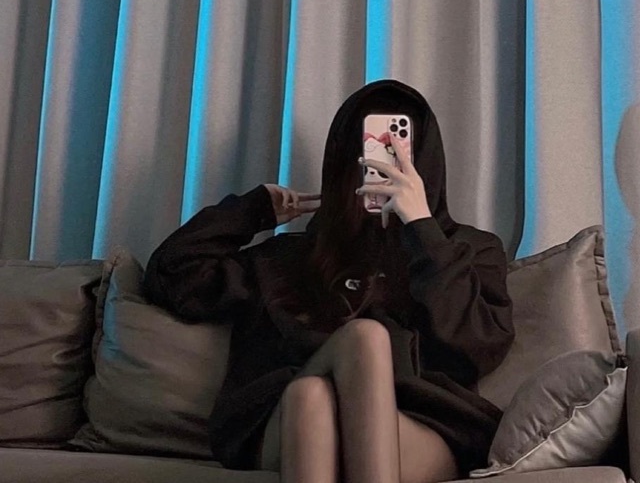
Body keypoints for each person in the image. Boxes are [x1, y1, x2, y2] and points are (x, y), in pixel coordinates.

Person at [144, 79, 515, 483]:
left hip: (419, 422)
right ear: (344, 163)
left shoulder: (466, 250)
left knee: (345, 359)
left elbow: (477, 346)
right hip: (293, 417)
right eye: (371, 150)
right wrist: (252, 212)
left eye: (398, 149)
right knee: (314, 392)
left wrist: (422, 227)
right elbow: (171, 274)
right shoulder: (287, 257)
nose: (383, 163)